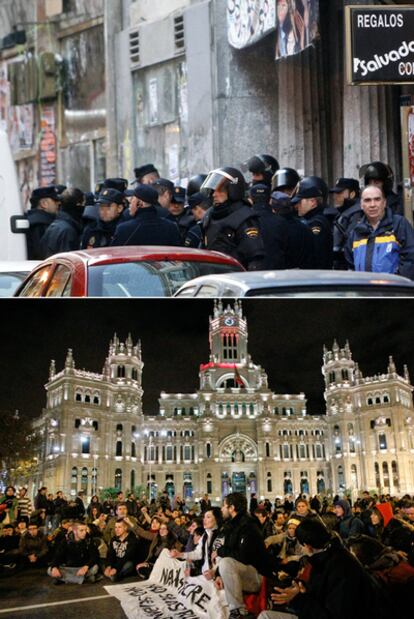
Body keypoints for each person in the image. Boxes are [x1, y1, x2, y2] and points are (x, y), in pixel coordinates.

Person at [258, 518, 389, 619]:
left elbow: (332, 613)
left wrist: (298, 599)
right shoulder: (328, 555)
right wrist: (302, 591)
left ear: (308, 546)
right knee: (266, 615)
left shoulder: (340, 568)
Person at [214, 492, 273, 619]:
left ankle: (239, 611)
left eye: (224, 506)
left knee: (225, 562)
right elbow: (230, 553)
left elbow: (243, 556)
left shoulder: (249, 526)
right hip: (241, 572)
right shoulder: (231, 525)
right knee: (224, 564)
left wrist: (220, 551)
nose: (222, 509)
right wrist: (219, 574)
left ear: (232, 508)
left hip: (257, 576)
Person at [201, 167, 265, 270]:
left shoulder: (244, 218)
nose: (214, 194)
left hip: (235, 277)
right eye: (213, 190)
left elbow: (255, 259)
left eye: (220, 190)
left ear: (233, 190)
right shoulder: (209, 215)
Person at [345, 185, 414, 279]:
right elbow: (350, 265)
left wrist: (397, 285)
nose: (372, 204)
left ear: (384, 203)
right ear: (361, 205)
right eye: (367, 200)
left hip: (393, 290)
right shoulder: (356, 232)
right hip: (364, 291)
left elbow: (410, 259)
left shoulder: (398, 224)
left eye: (377, 199)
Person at [111, 184, 181, 247]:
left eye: (132, 200)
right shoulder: (171, 227)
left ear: (140, 203)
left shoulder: (123, 229)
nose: (130, 204)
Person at [291, 178, 333, 269]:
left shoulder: (316, 224)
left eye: (300, 202)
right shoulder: (311, 221)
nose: (297, 206)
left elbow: (316, 257)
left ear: (313, 202)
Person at [170, 507, 223, 579]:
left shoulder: (221, 536)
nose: (204, 520)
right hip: (205, 575)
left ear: (217, 519)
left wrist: (214, 571)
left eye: (208, 517)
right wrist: (180, 554)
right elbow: (198, 553)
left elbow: (221, 559)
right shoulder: (205, 535)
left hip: (217, 577)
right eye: (204, 517)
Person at [40, 188, 85, 257]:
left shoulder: (53, 226)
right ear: (78, 205)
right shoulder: (67, 231)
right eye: (83, 204)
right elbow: (67, 261)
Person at [26, 186, 61, 259]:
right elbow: (42, 253)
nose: (58, 203)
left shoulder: (32, 220)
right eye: (55, 200)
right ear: (44, 203)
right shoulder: (40, 224)